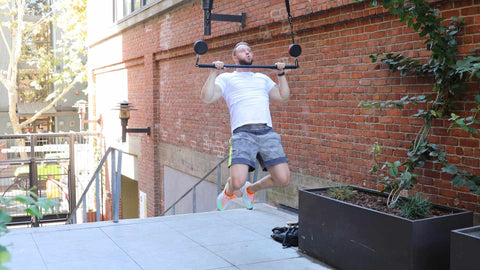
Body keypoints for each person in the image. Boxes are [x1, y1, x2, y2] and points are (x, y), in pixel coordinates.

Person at [201, 41, 291, 211]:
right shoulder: (226, 78)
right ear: (234, 57)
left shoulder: (262, 78)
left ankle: (250, 190)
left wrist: (281, 75)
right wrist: (213, 72)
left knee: (283, 179)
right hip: (242, 134)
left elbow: (282, 97)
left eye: (249, 50)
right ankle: (228, 192)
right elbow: (207, 98)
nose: (248, 53)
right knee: (237, 181)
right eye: (243, 51)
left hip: (266, 132)